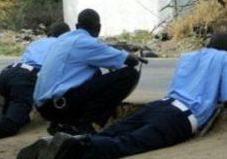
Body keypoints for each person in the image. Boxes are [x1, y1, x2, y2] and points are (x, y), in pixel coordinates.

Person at [17, 32, 227, 159]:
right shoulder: (224, 57)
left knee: (115, 132)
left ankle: (65, 143)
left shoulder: (188, 57)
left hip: (160, 105)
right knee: (130, 143)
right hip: (180, 117)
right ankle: (75, 144)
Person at [32, 8, 146, 136]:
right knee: (128, 75)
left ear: (76, 26)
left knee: (94, 72)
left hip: (46, 106)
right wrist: (132, 55)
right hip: (58, 106)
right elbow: (130, 61)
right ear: (99, 27)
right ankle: (86, 124)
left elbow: (99, 52)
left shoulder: (64, 39)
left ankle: (64, 123)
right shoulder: (85, 43)